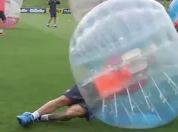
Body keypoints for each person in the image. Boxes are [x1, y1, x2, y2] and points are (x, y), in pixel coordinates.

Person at [17, 47, 152, 127]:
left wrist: (130, 79)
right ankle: (30, 116)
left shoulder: (142, 79)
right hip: (92, 84)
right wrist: (120, 65)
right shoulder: (123, 58)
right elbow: (106, 66)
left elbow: (124, 92)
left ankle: (43, 117)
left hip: (100, 97)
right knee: (63, 100)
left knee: (70, 114)